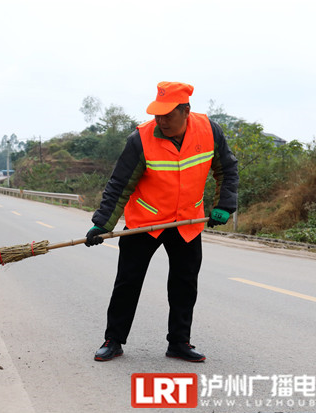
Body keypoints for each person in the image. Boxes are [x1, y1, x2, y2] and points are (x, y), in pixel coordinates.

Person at [85, 81, 238, 362]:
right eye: (158, 115)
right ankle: (114, 340)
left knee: (184, 284)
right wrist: (103, 223)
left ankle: (179, 342)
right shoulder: (140, 139)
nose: (161, 121)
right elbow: (120, 185)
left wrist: (224, 206)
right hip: (146, 222)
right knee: (127, 282)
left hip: (187, 222)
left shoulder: (210, 131)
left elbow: (226, 168)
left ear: (186, 111)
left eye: (168, 115)